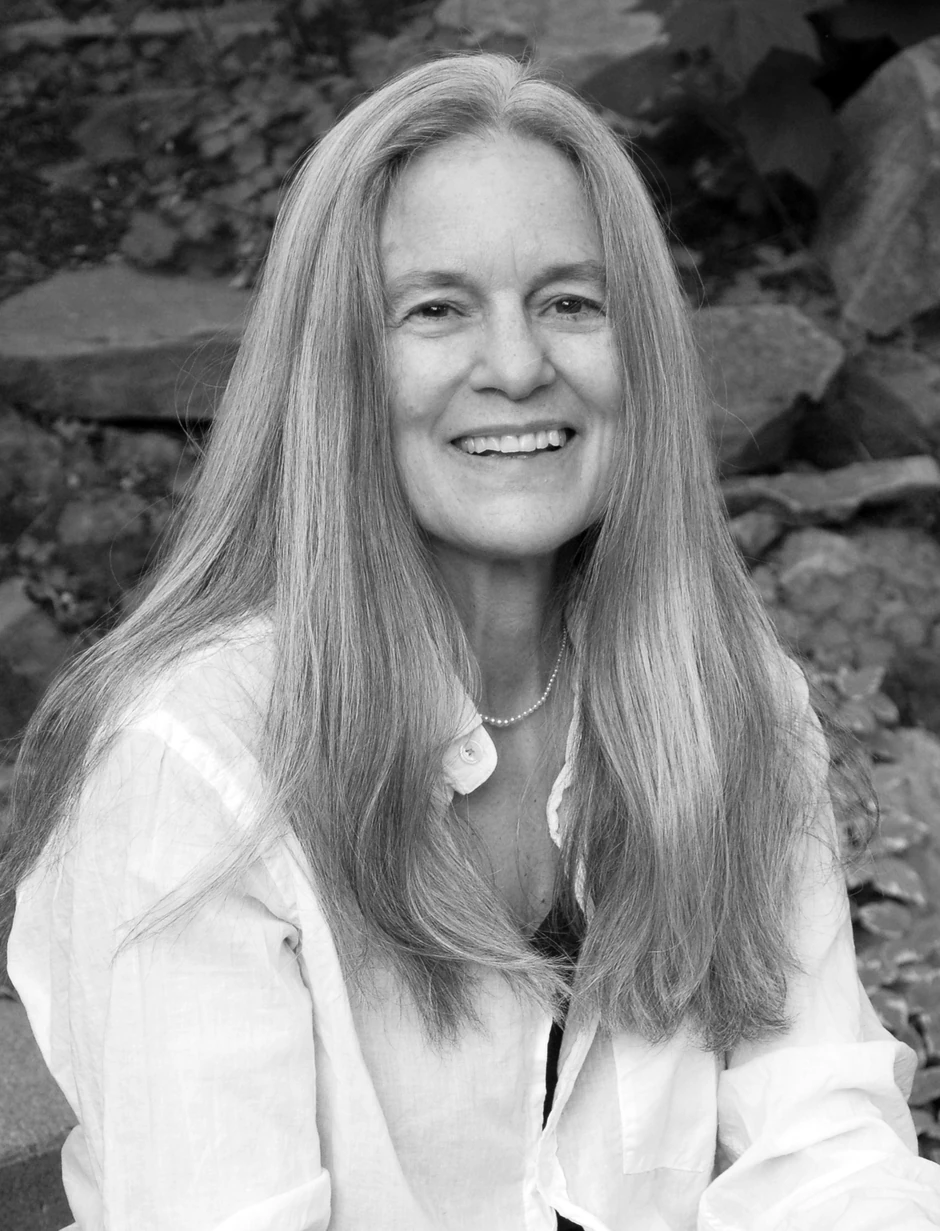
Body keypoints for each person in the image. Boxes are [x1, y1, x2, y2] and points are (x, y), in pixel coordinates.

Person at [3, 51, 939, 1231]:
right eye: (436, 308)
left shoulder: (725, 699)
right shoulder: (193, 770)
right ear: (339, 369)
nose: (516, 366)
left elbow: (823, 1143)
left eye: (570, 302)